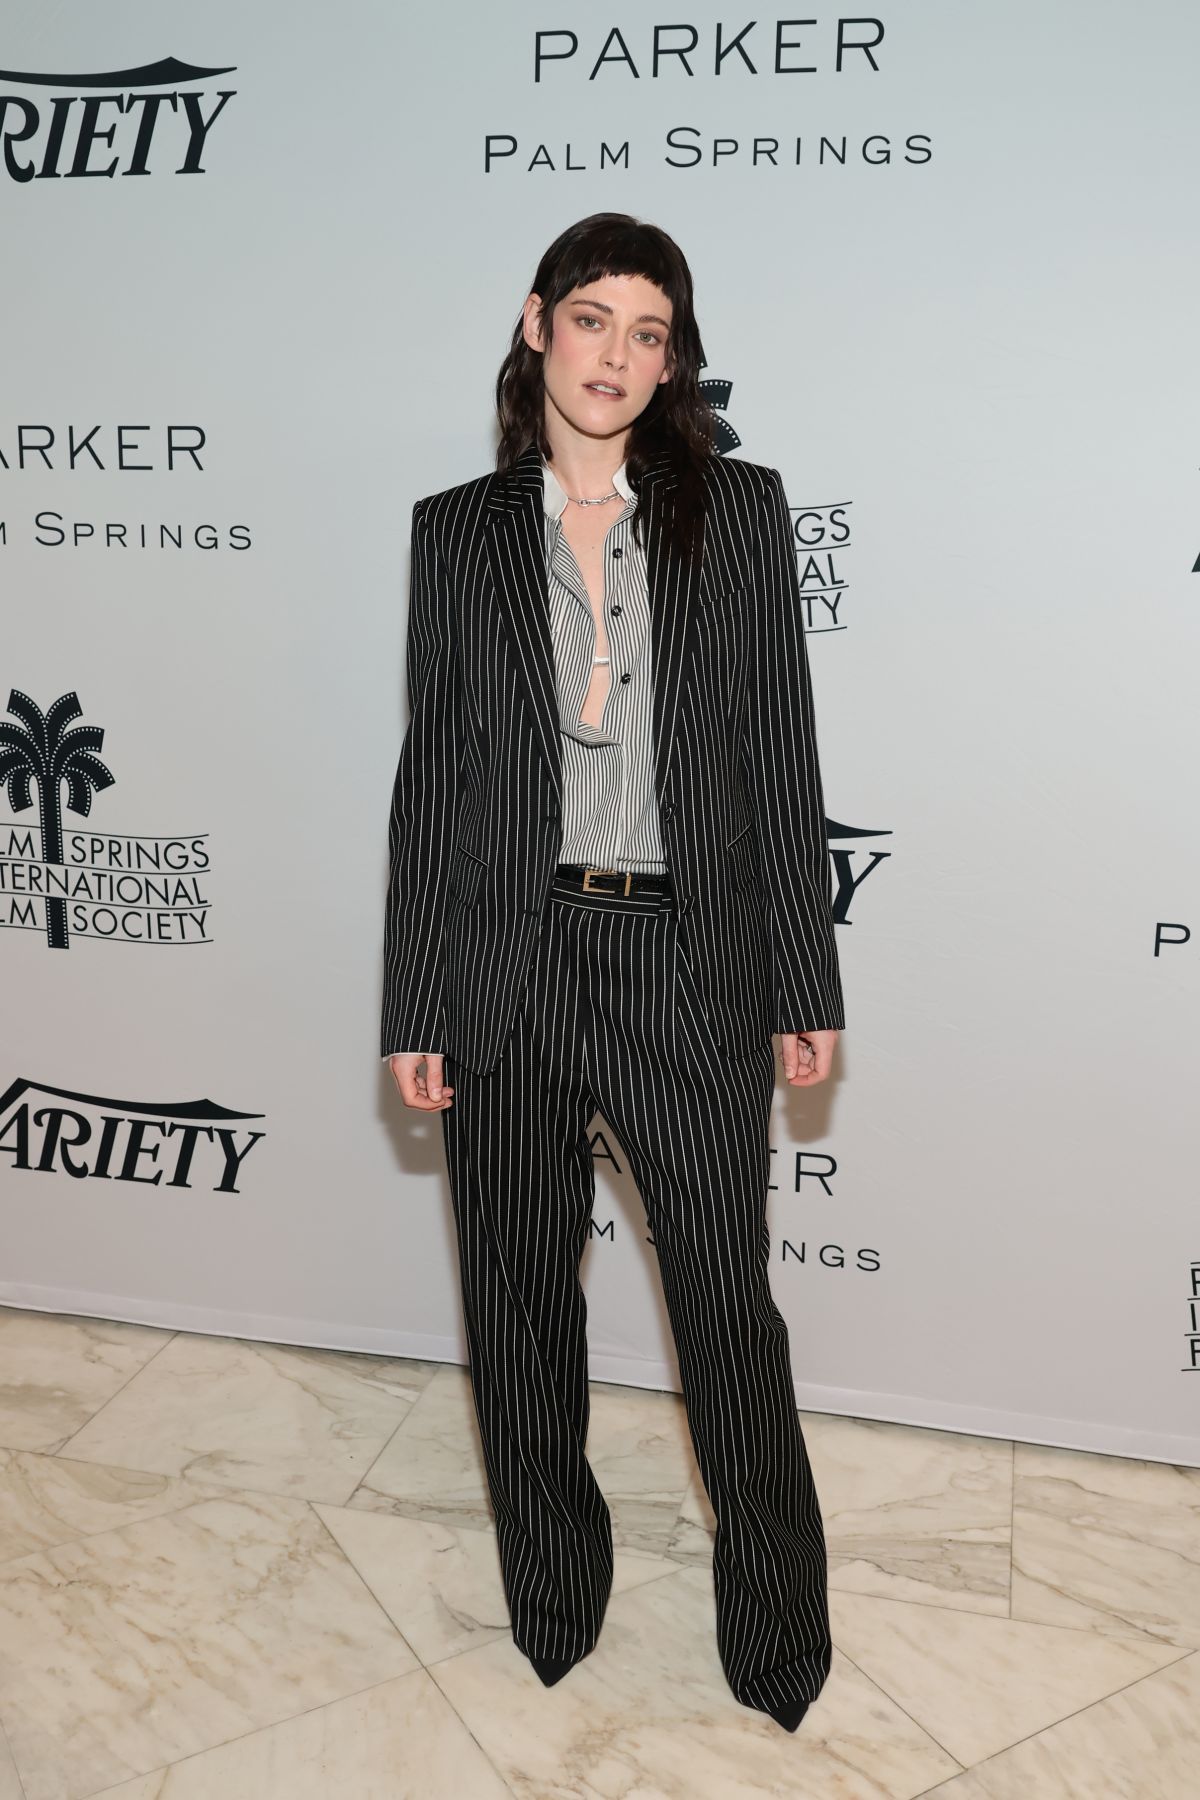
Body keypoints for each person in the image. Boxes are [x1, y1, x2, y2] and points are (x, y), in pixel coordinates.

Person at [381, 211, 844, 1735]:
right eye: (594, 322)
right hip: (507, 962)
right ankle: (554, 1598)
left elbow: (781, 752)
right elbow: (437, 778)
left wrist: (804, 981)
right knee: (517, 1309)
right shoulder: (456, 531)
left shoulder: (739, 512)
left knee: (727, 1313)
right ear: (537, 326)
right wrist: (416, 998)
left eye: (651, 335)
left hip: (686, 964)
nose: (618, 357)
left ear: (672, 361)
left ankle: (776, 1634)